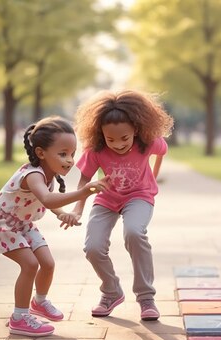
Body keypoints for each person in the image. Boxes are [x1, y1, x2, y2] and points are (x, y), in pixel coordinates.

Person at [0, 116, 110, 337]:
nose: (69, 160)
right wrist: (85, 192)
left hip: (22, 223)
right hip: (2, 223)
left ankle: (39, 302)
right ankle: (19, 317)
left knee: (47, 263)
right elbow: (47, 199)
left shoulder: (48, 174)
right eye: (63, 154)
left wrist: (63, 214)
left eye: (72, 154)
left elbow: (44, 201)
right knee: (30, 265)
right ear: (41, 153)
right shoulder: (33, 175)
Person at [70, 90, 174, 321]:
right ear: (101, 135)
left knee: (134, 233)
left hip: (139, 196)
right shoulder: (95, 150)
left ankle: (146, 297)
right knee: (93, 247)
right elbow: (84, 179)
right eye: (111, 139)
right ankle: (111, 291)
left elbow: (162, 151)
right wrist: (77, 209)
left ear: (135, 130)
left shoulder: (147, 144)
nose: (117, 144)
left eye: (124, 138)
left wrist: (153, 178)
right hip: (107, 198)